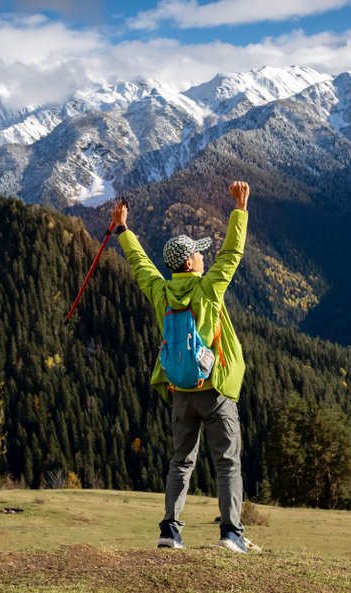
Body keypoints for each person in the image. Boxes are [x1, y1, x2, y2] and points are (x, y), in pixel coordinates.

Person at [112, 180, 251, 553]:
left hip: (180, 393)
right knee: (226, 463)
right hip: (215, 389)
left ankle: (170, 531)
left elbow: (140, 263)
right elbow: (232, 254)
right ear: (190, 263)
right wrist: (239, 208)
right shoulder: (208, 290)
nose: (205, 258)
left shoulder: (160, 292)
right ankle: (231, 534)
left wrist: (122, 229)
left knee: (181, 463)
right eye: (199, 255)